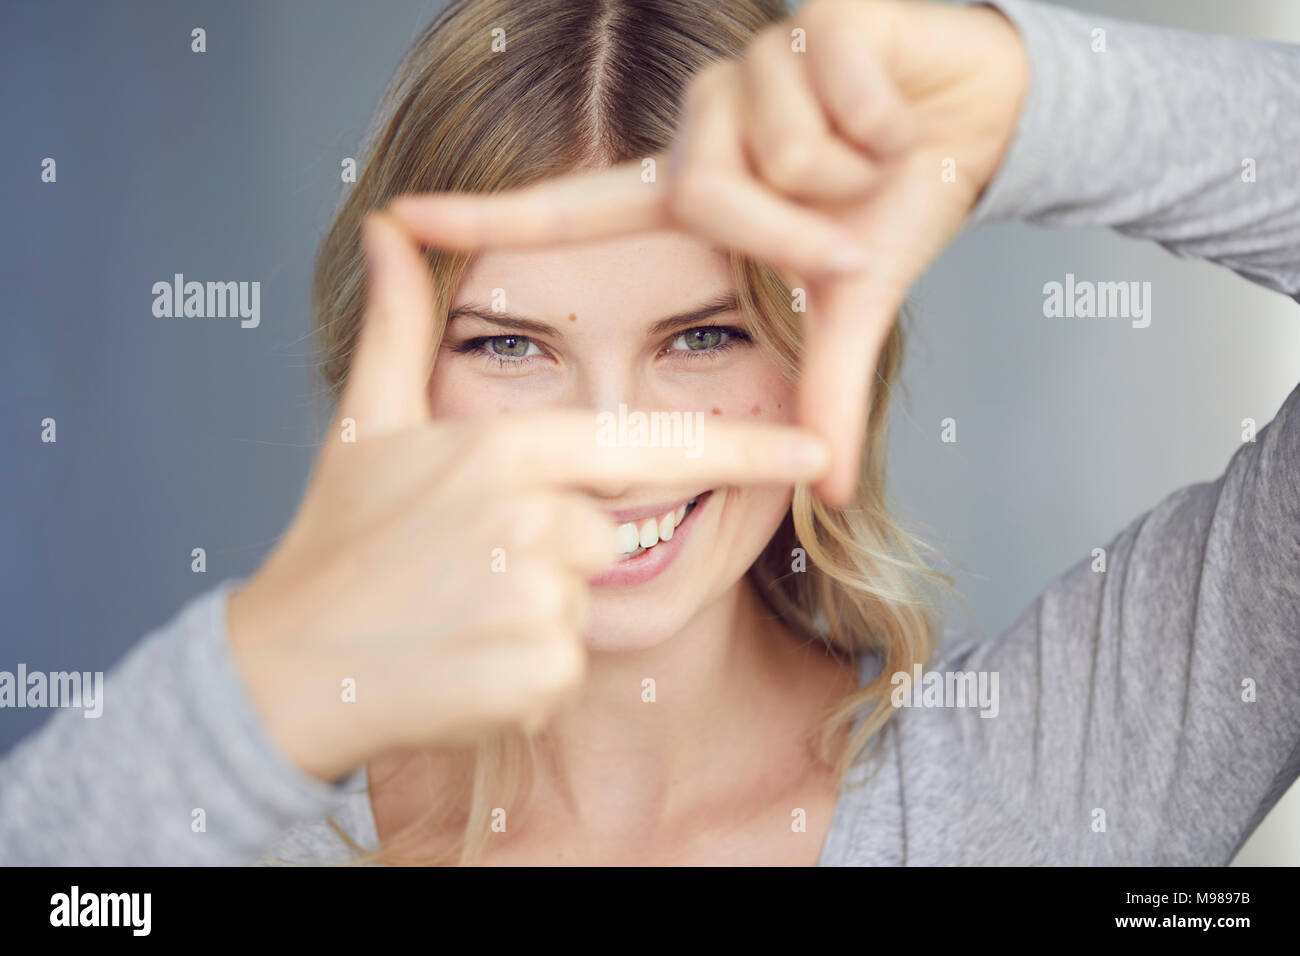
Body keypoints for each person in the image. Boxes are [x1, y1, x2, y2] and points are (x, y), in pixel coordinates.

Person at [2, 0, 1297, 866]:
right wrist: (261, 693)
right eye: (509, 344)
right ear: (388, 376)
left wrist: (1031, 105)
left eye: (703, 335)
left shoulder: (1044, 777)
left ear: (825, 350)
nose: (611, 446)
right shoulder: (239, 814)